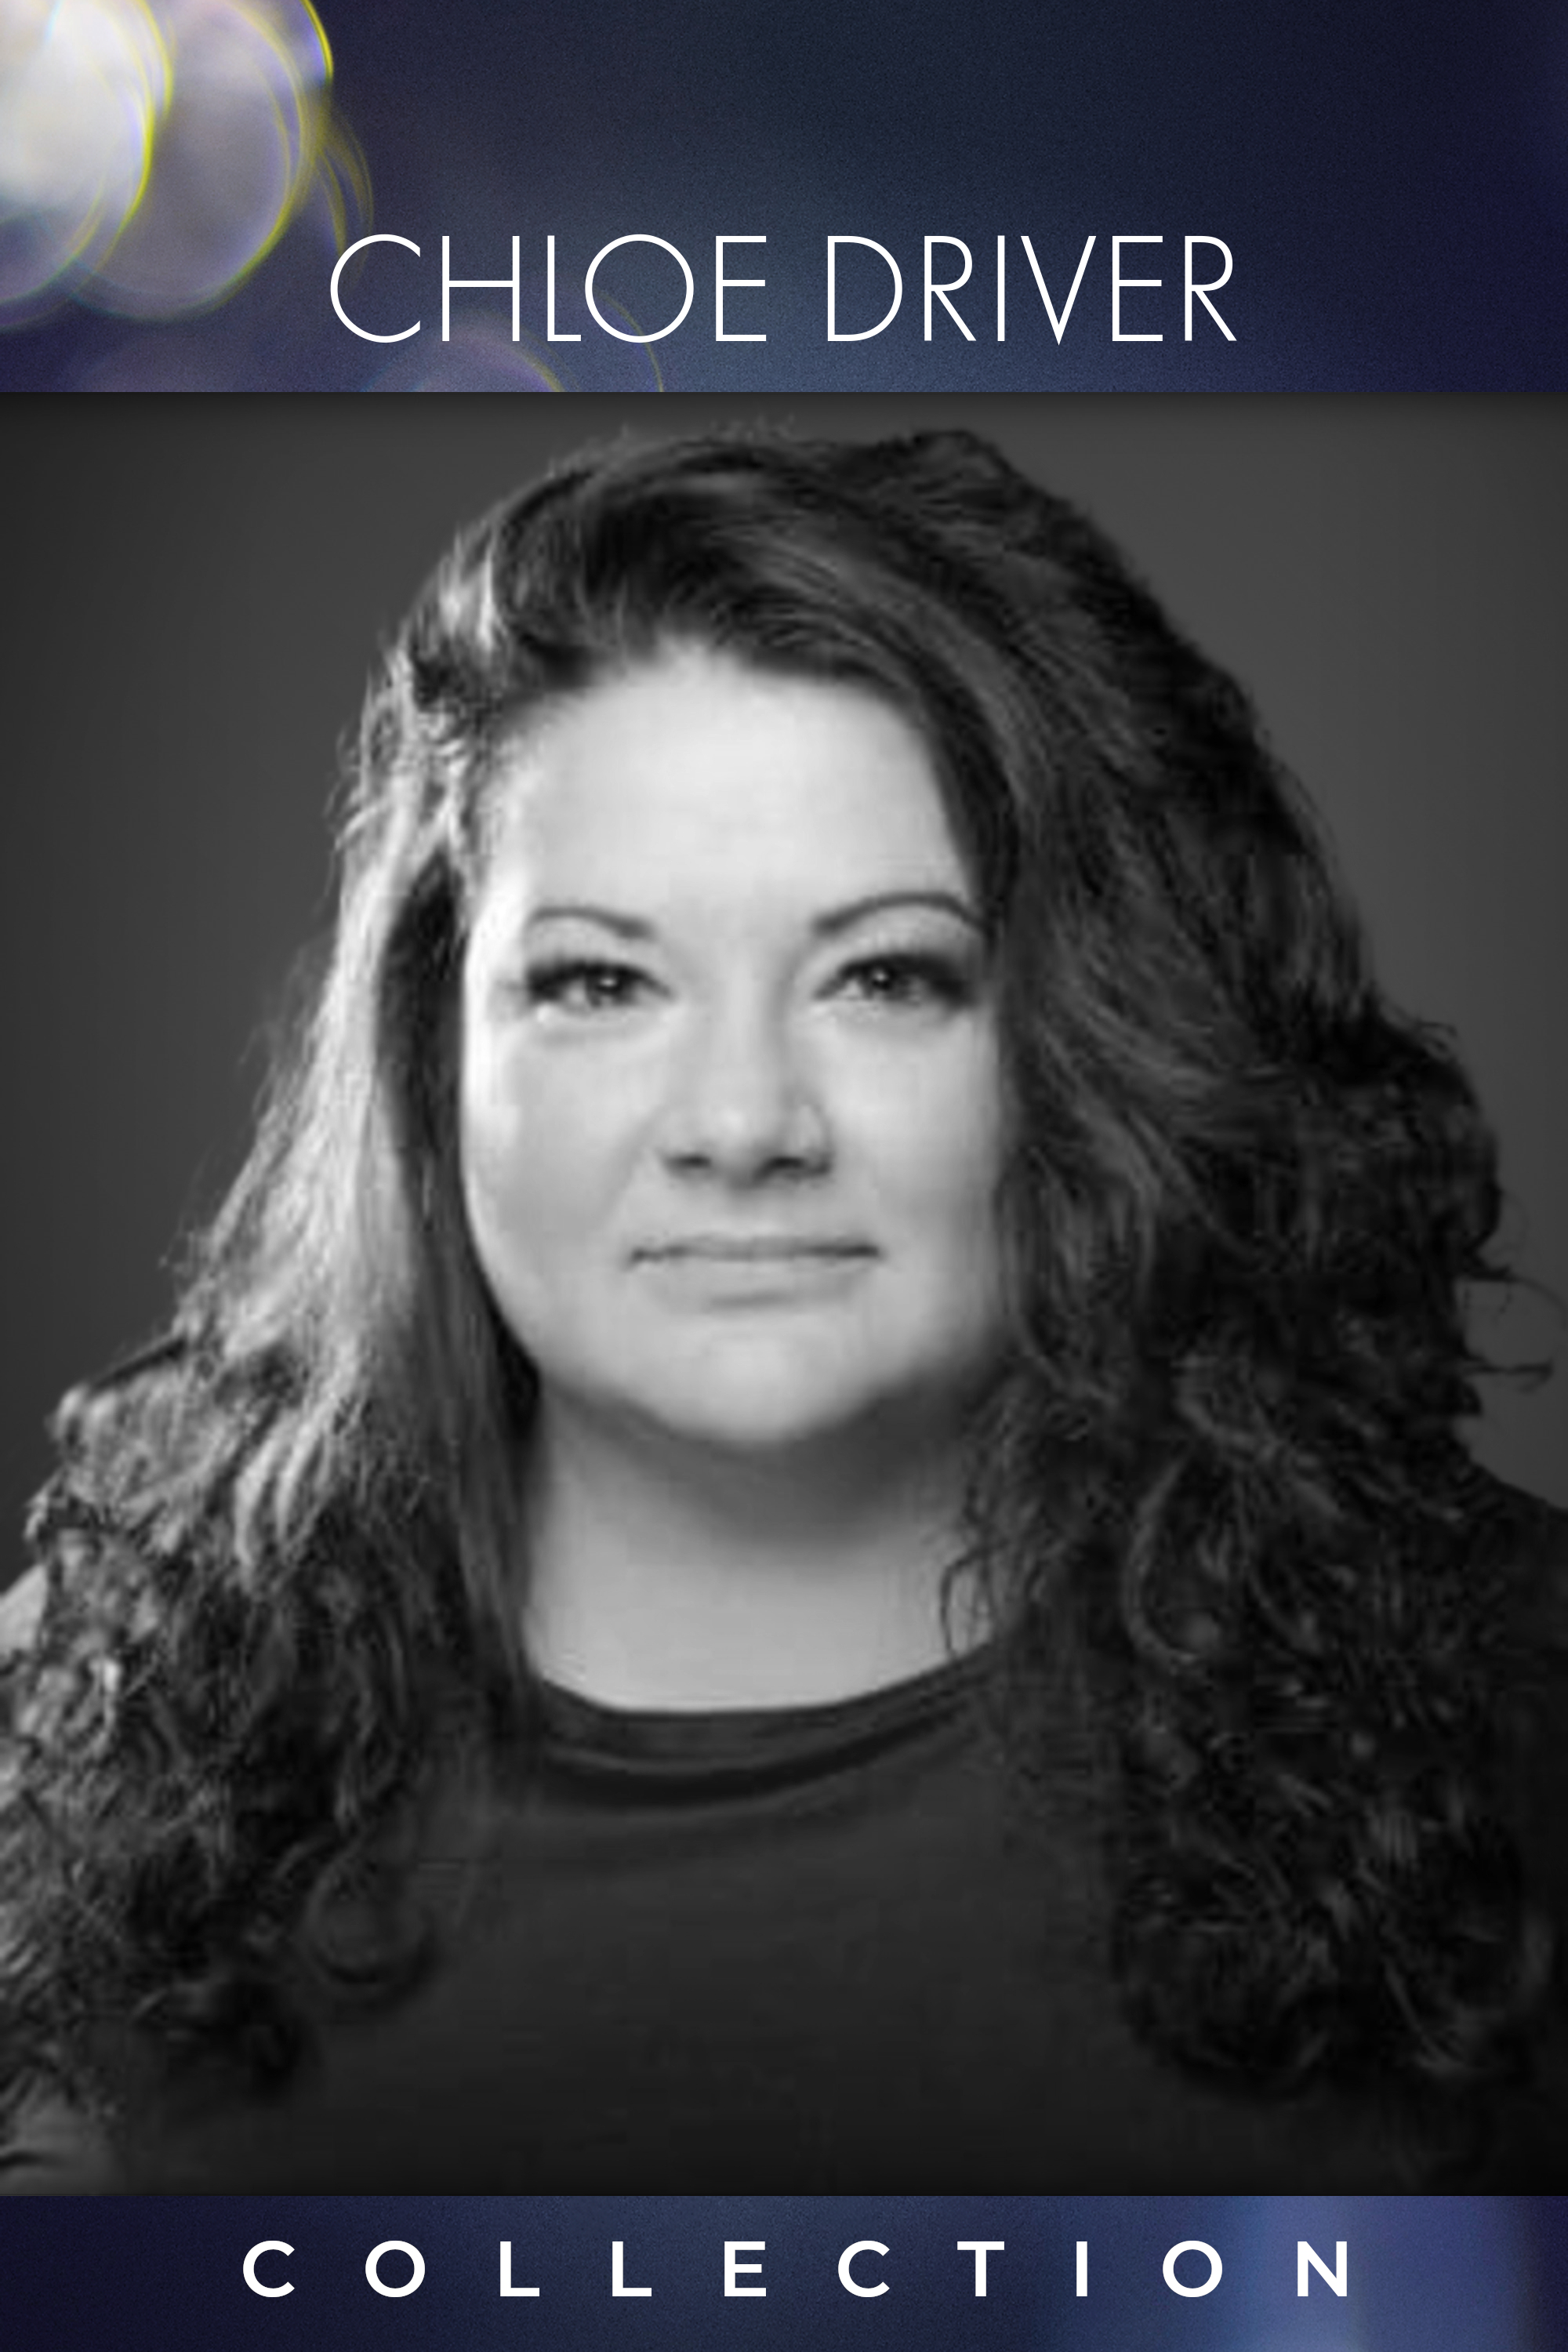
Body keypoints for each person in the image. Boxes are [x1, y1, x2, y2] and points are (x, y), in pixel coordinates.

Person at [0, 425, 1563, 2192]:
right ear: (435, 1052)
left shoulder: (1508, 1706)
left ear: (1093, 1037)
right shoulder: (95, 1737)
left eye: (886, 975)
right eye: (602, 982)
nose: (743, 1125)